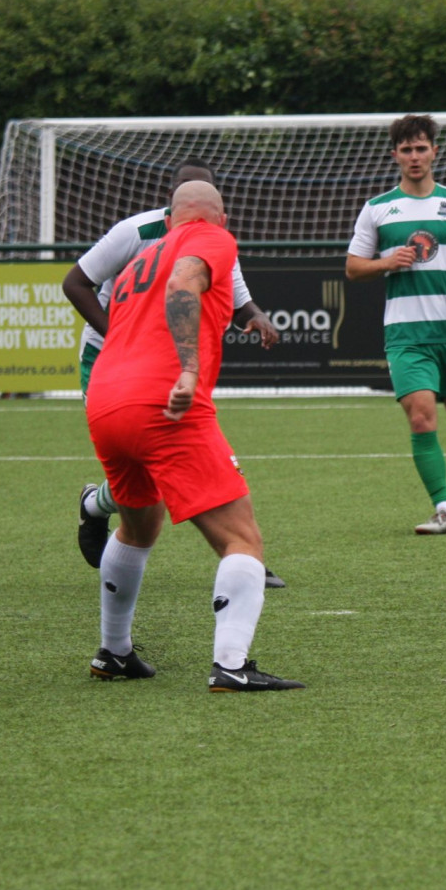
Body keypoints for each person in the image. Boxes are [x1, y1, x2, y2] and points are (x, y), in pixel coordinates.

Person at [83, 181, 301, 693]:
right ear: (220, 218)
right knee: (241, 538)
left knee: (138, 527)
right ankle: (231, 665)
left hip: (105, 400)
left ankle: (114, 653)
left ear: (170, 218)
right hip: (163, 403)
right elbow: (183, 285)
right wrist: (187, 368)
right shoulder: (212, 238)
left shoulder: (142, 256)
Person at [62, 158, 286, 587]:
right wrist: (120, 337)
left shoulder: (214, 240)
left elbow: (238, 298)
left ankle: (242, 554)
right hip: (109, 362)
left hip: (168, 365)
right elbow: (75, 282)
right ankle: (239, 551)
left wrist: (257, 316)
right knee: (150, 474)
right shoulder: (135, 232)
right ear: (171, 199)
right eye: (187, 189)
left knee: (176, 464)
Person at [347, 115, 446, 535]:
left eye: (421, 148)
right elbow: (353, 267)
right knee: (421, 418)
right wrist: (385, 262)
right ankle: (443, 510)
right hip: (406, 333)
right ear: (395, 155)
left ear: (434, 152)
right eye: (406, 150)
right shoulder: (378, 208)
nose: (414, 156)